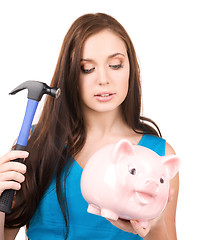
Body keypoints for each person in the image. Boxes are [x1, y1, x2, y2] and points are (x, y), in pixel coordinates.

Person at [0, 13, 179, 240]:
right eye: (87, 68)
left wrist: (154, 227)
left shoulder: (159, 157)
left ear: (130, 69)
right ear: (71, 74)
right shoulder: (37, 143)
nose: (103, 79)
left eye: (115, 65)